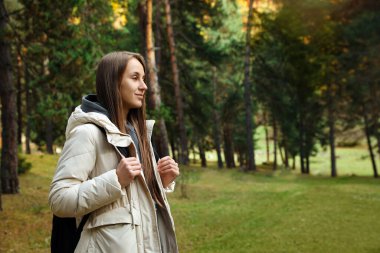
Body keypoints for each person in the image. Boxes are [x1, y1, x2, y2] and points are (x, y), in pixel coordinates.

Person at [48, 51, 180, 253]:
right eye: (135, 78)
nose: (144, 86)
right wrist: (116, 180)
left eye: (143, 79)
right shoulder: (87, 133)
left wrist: (160, 183)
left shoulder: (140, 136)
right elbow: (59, 199)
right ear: (113, 82)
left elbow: (136, 207)